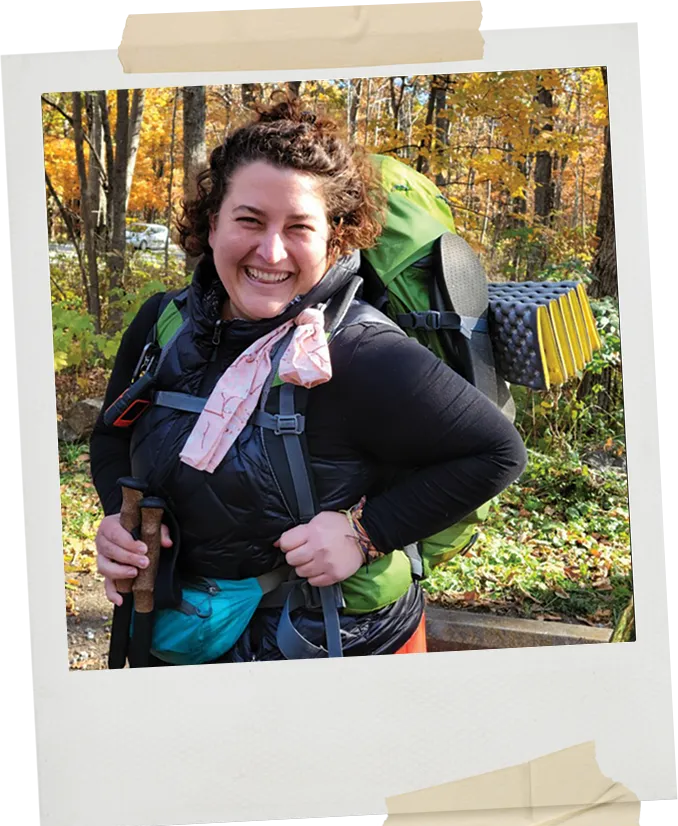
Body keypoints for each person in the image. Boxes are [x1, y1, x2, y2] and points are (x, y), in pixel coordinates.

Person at [90, 98, 527, 664]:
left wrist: (365, 533)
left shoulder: (360, 351)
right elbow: (113, 436)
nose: (271, 251)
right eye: (249, 220)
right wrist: (117, 521)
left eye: (299, 227)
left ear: (334, 239)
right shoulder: (162, 323)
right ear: (213, 222)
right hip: (172, 630)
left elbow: (497, 452)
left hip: (326, 647)